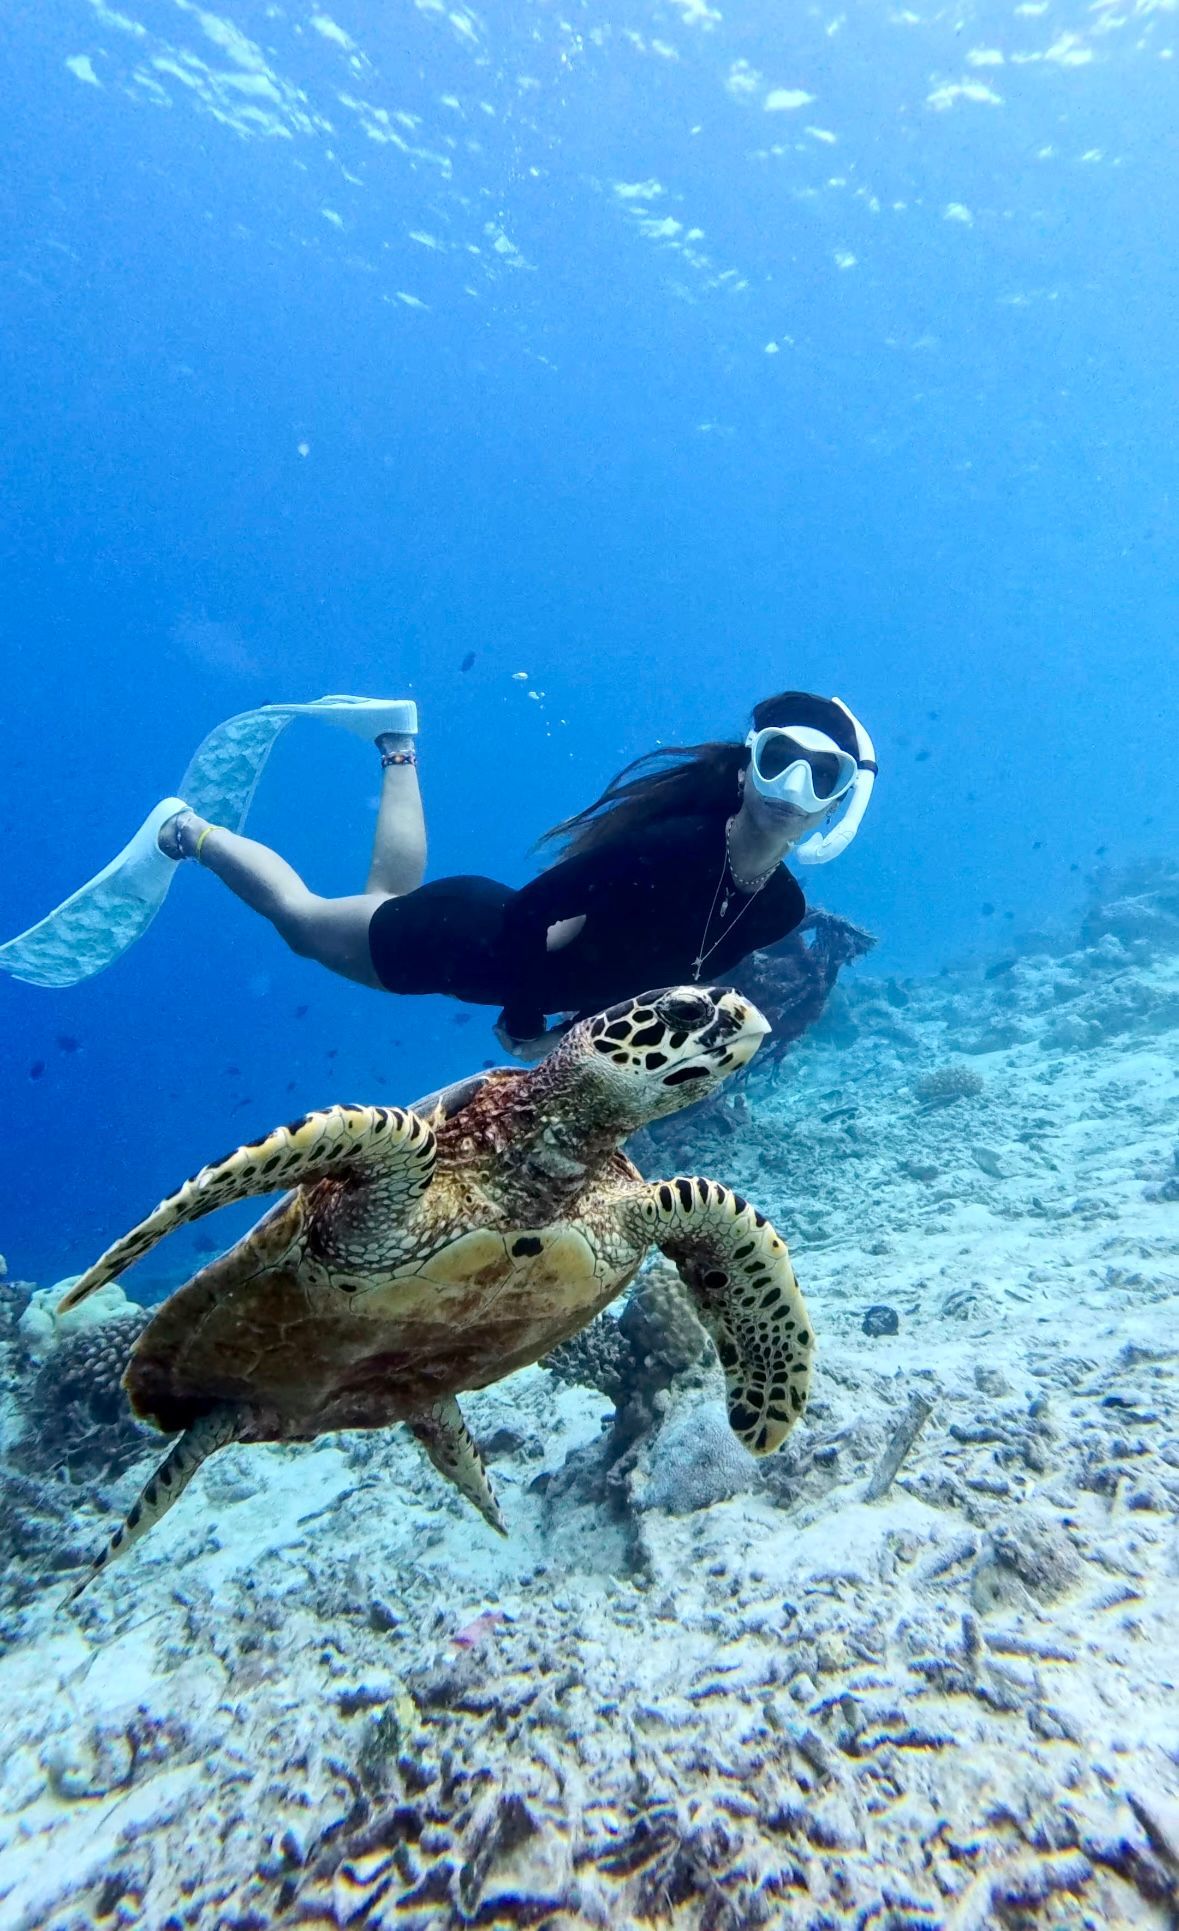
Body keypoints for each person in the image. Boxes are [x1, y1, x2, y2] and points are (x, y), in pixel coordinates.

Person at [153, 688, 877, 1059]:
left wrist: (576, 1028)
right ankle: (185, 830)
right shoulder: (675, 847)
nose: (792, 788)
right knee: (302, 923)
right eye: (779, 759)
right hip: (459, 940)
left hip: (484, 941)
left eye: (822, 775)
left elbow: (664, 971)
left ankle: (395, 741)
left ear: (838, 803)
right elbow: (534, 910)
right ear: (747, 766)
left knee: (380, 897)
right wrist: (527, 1019)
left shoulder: (778, 908)